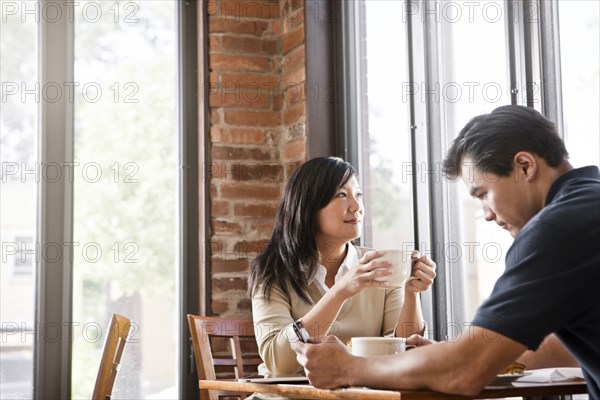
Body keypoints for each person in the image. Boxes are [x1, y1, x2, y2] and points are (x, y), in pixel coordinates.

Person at [291, 105, 600, 398]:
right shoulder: (587, 208)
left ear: (524, 165)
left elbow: (465, 372)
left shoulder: (556, 230)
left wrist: (347, 367)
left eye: (483, 194)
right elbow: (563, 348)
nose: (488, 214)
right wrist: (443, 357)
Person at [248, 157, 437, 375]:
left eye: (358, 194)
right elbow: (279, 362)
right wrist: (340, 293)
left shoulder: (381, 267)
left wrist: (411, 293)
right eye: (342, 195)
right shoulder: (273, 273)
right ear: (309, 206)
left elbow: (404, 353)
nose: (356, 207)